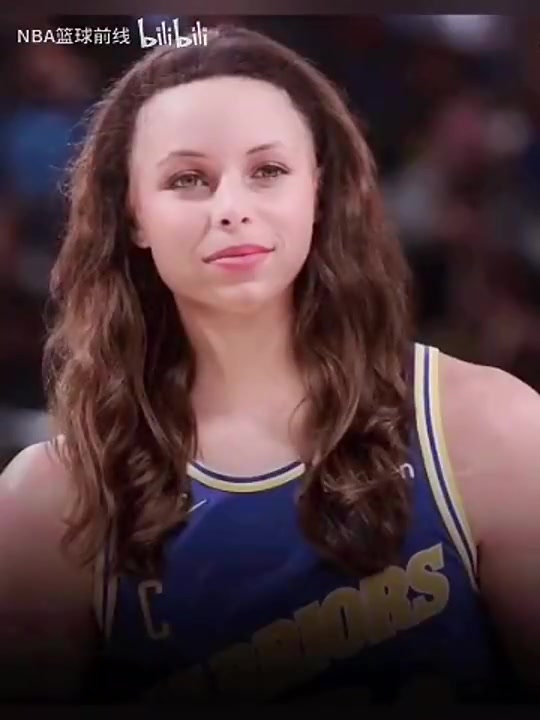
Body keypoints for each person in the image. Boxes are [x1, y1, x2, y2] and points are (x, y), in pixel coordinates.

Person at [0, 24, 539, 705]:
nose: (231, 209)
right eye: (188, 179)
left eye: (268, 172)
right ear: (133, 214)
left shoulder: (488, 427)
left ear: (319, 190)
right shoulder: (49, 505)